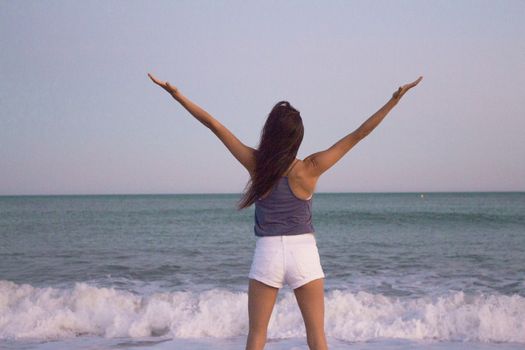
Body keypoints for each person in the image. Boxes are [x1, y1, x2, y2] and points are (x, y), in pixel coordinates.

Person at [148, 72, 423, 350]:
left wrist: (177, 95)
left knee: (256, 335)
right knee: (316, 337)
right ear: (297, 137)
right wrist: (393, 101)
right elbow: (358, 135)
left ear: (270, 132)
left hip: (267, 253)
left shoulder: (257, 164)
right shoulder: (310, 168)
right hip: (303, 252)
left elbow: (214, 125)